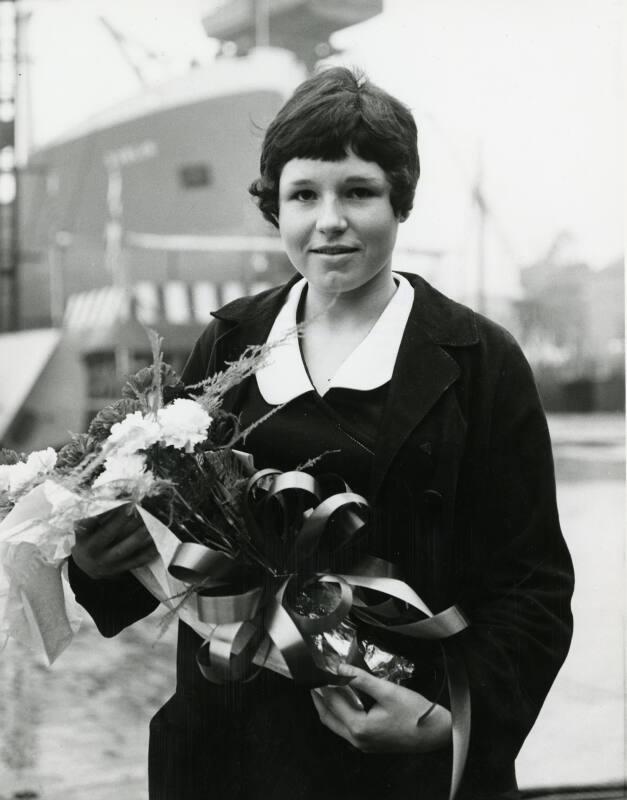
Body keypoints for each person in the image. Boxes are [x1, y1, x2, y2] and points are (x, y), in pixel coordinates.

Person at [68, 67, 574, 799]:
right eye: (303, 194)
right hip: (227, 753)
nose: (328, 219)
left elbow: (532, 586)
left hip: (396, 761)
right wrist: (99, 559)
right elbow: (175, 546)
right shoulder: (232, 342)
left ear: (400, 200)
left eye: (358, 191)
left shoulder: (478, 362)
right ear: (274, 206)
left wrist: (448, 719)